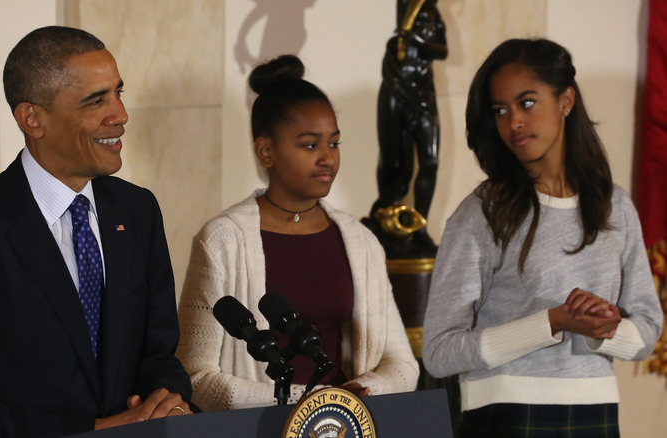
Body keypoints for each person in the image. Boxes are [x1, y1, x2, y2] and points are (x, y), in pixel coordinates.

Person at [0, 26, 193, 437]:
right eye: (96, 101)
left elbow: (159, 354)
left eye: (118, 92)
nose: (120, 115)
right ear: (33, 119)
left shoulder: (138, 211)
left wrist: (165, 400)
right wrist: (95, 429)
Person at [422, 38, 663, 437]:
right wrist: (552, 323)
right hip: (504, 418)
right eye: (500, 110)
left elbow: (648, 332)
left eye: (527, 103)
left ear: (565, 101)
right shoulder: (481, 213)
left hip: (595, 414)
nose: (513, 122)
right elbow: (439, 352)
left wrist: (602, 330)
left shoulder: (614, 206)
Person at [175, 54, 419, 412]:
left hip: (346, 425)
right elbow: (195, 377)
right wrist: (306, 402)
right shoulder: (222, 240)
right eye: (310, 145)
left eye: (334, 143)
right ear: (266, 151)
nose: (328, 158)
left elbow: (403, 365)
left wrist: (354, 394)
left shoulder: (361, 241)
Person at [365, 0, 447, 257]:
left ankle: (420, 225)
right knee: (393, 161)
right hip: (395, 92)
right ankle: (384, 213)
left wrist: (415, 39)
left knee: (430, 161)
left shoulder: (433, 15)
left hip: (423, 97)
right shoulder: (405, 8)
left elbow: (442, 51)